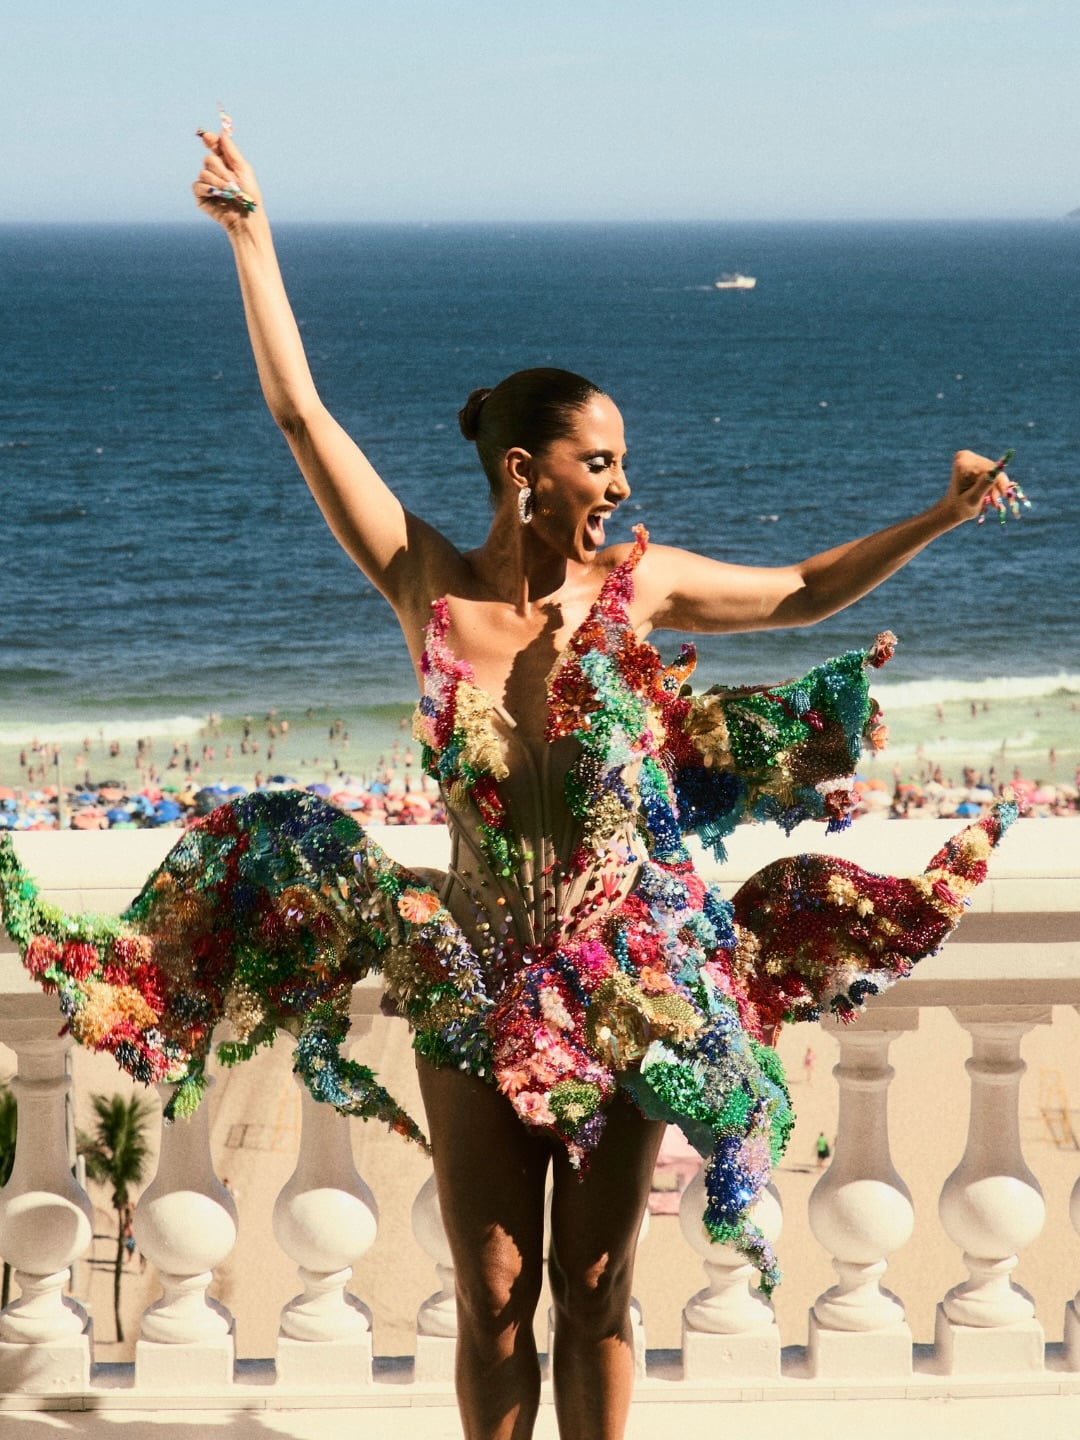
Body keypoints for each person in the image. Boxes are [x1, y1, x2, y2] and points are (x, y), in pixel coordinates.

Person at [181, 125, 1025, 1440]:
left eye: (624, 461)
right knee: (492, 1292)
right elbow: (303, 416)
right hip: (471, 971)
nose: (625, 484)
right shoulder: (426, 584)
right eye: (601, 461)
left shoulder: (643, 588)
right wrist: (252, 237)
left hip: (626, 976)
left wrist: (941, 512)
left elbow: (804, 591)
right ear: (525, 472)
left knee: (594, 1284)